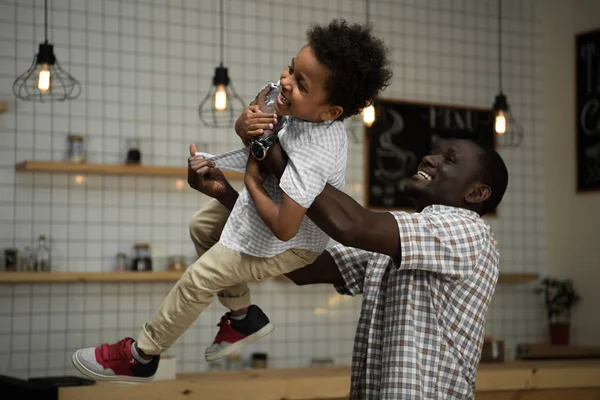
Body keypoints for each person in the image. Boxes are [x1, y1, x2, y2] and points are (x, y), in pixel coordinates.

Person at [71, 18, 392, 383]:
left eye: (300, 84)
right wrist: (245, 125)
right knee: (203, 226)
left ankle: (142, 355)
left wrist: (251, 180)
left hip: (295, 240)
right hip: (272, 210)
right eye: (290, 67)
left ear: (330, 112)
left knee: (201, 278)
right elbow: (260, 106)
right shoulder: (286, 99)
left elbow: (286, 228)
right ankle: (243, 317)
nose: (285, 82)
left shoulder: (319, 148)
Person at [186, 135, 509, 399]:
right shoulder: (401, 243)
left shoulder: (468, 231)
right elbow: (302, 268)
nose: (429, 159)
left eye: (449, 159)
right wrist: (228, 196)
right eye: (433, 152)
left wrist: (271, 150)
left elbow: (350, 224)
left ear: (477, 193)